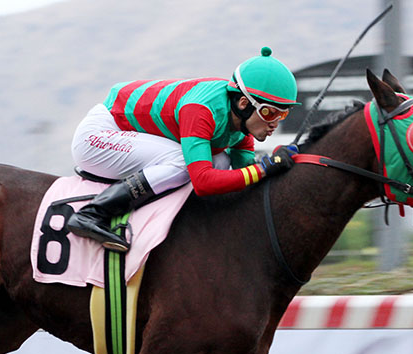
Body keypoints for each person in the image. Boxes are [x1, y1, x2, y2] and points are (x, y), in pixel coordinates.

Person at [67, 47, 300, 252]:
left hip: (127, 133)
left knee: (220, 161)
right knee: (183, 162)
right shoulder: (200, 110)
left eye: (283, 114)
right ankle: (93, 214)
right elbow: (203, 182)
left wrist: (275, 166)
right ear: (243, 103)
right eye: (270, 112)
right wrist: (264, 168)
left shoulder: (241, 126)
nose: (275, 123)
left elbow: (246, 176)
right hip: (98, 137)